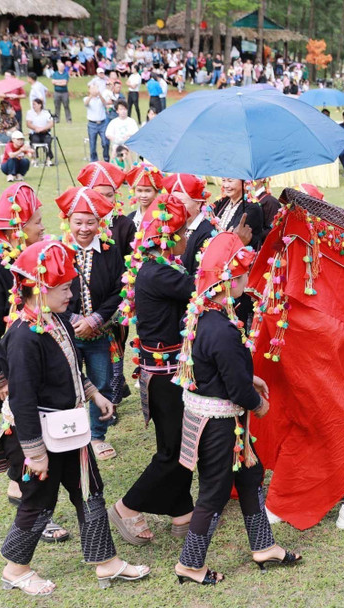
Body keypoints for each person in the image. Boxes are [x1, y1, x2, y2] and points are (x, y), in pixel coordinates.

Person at [0, 240, 149, 597]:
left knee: (90, 490)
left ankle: (106, 561)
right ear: (40, 288)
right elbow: (22, 400)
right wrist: (35, 454)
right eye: (64, 288)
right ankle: (15, 569)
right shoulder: (22, 337)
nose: (71, 295)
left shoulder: (55, 319)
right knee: (39, 501)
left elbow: (68, 367)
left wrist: (94, 394)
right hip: (37, 437)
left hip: (69, 429)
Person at [172, 232, 301, 584]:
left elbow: (224, 371)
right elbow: (235, 387)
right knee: (213, 492)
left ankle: (263, 545)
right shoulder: (224, 330)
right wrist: (257, 402)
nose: (248, 280)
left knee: (250, 475)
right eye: (243, 275)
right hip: (221, 424)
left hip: (214, 415)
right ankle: (190, 563)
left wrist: (250, 379)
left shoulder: (204, 314)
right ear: (230, 281)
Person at [0, 184, 69, 545]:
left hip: (32, 360)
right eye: (37, 222)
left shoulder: (32, 262)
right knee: (22, 434)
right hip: (11, 365)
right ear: (17, 228)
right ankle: (30, 503)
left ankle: (21, 491)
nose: (43, 228)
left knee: (26, 431)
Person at [112, 195, 195, 546]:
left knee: (176, 444)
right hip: (166, 375)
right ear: (172, 236)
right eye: (185, 231)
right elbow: (204, 290)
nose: (188, 238)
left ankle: (182, 511)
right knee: (174, 450)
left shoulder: (154, 266)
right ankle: (127, 507)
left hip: (163, 370)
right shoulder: (161, 272)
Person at [54, 186, 124, 462]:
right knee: (65, 385)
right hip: (66, 333)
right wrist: (73, 320)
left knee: (101, 383)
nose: (84, 228)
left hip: (100, 334)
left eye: (90, 222)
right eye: (78, 222)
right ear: (68, 222)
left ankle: (96, 435)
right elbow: (50, 290)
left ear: (100, 223)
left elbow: (120, 290)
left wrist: (96, 319)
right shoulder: (57, 250)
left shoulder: (110, 251)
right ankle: (68, 435)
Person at [166, 173, 217, 277]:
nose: (176, 207)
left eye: (182, 203)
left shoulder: (207, 232)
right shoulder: (169, 226)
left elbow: (199, 275)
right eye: (173, 201)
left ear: (198, 204)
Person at [84, 83, 110, 162]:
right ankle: (94, 160)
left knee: (105, 142)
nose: (94, 90)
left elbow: (105, 103)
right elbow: (86, 103)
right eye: (92, 89)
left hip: (102, 123)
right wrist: (91, 95)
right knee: (92, 144)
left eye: (95, 88)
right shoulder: (86, 98)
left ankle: (106, 158)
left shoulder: (101, 98)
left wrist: (99, 94)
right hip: (92, 124)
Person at [25, 97, 54, 165]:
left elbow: (51, 123)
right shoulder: (30, 112)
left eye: (35, 104)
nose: (33, 106)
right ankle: (34, 158)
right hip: (35, 133)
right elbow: (28, 123)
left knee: (48, 141)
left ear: (40, 105)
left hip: (45, 132)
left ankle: (48, 158)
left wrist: (43, 128)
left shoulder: (46, 113)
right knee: (35, 141)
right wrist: (36, 128)